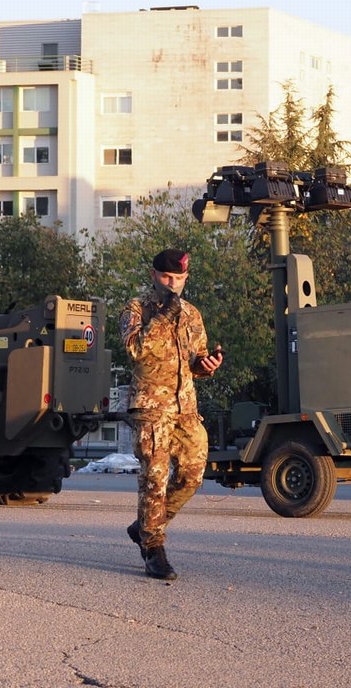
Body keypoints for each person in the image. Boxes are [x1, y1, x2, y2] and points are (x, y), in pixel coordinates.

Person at [119, 248, 223, 580]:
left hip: (185, 407)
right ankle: (153, 549)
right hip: (151, 407)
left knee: (193, 475)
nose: (172, 284)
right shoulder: (137, 309)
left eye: (178, 279)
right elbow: (135, 349)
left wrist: (207, 365)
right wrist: (164, 315)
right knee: (155, 475)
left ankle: (147, 524)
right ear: (154, 275)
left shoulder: (192, 314)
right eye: (166, 277)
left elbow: (198, 357)